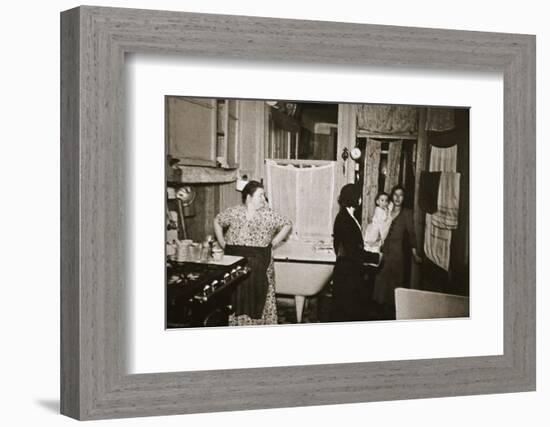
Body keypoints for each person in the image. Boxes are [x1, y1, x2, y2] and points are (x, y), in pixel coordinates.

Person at [213, 181, 292, 326]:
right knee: (238, 297)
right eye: (260, 195)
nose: (264, 199)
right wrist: (222, 242)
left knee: (261, 296)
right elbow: (217, 221)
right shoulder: (234, 212)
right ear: (249, 197)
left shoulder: (268, 214)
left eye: (264, 196)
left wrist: (273, 243)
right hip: (236, 263)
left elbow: (287, 224)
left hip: (261, 262)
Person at [330, 183, 382, 322]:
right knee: (348, 313)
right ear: (353, 197)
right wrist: (375, 257)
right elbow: (352, 251)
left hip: (349, 271)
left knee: (349, 311)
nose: (361, 199)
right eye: (359, 196)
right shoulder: (345, 219)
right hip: (347, 275)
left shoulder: (348, 217)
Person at [373, 185, 422, 319]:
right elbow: (376, 226)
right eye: (395, 195)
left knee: (393, 287)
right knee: (380, 285)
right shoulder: (385, 209)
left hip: (396, 255)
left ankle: (392, 315)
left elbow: (412, 234)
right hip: (382, 253)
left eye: (401, 195)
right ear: (391, 196)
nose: (398, 198)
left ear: (404, 198)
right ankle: (378, 315)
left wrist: (415, 253)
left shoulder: (407, 213)